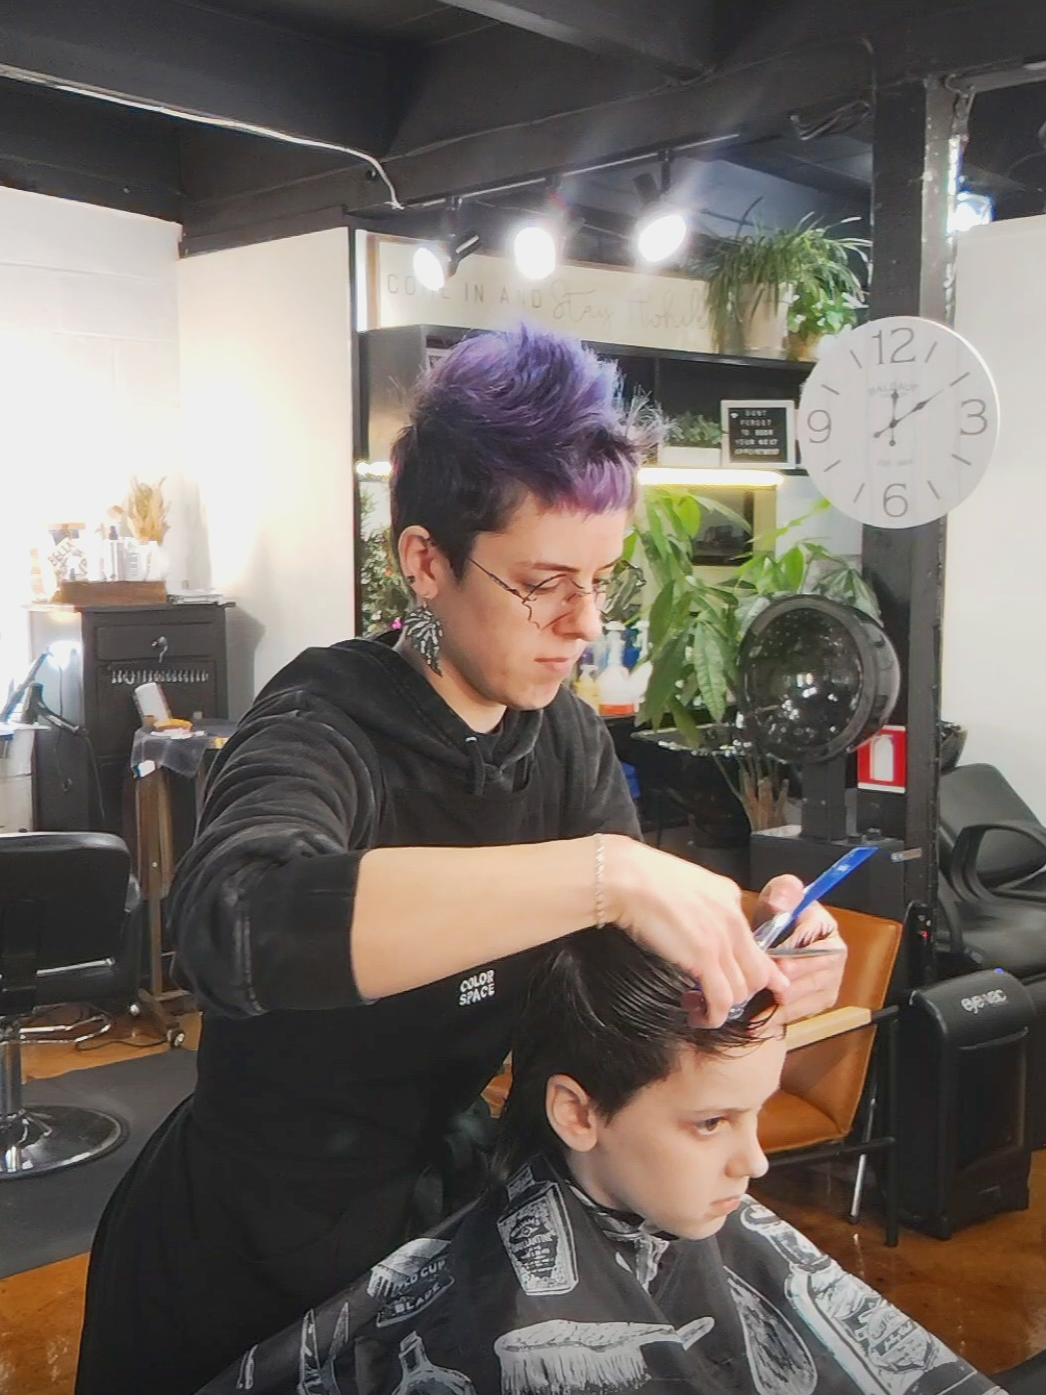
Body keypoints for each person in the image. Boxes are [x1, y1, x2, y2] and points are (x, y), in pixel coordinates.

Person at [75, 325, 846, 1395]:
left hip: (447, 1219)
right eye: (543, 583)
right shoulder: (322, 721)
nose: (584, 624)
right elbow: (237, 922)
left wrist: (747, 946)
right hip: (248, 1251)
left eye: (601, 581)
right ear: (425, 562)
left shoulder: (562, 737)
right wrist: (605, 875)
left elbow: (603, 980)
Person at [194, 927, 1003, 1395]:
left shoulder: (700, 1213)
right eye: (712, 1122)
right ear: (578, 1113)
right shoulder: (505, 1325)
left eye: (755, 1110)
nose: (755, 1161)